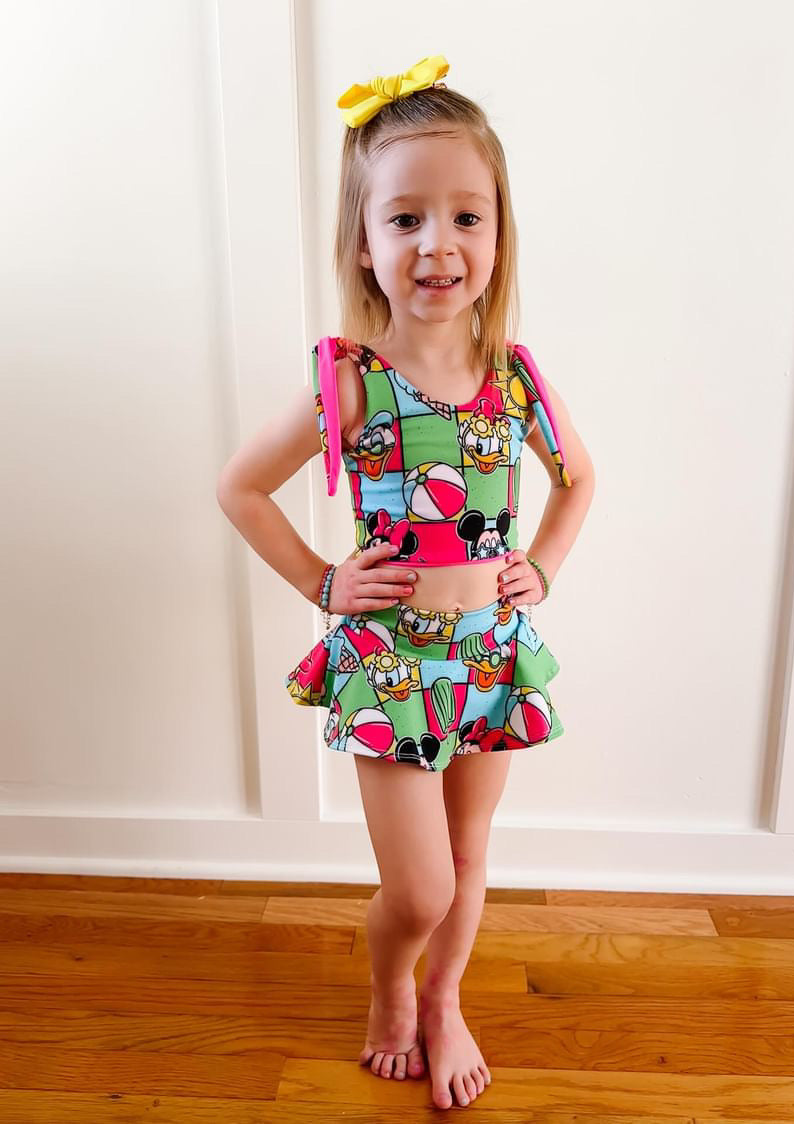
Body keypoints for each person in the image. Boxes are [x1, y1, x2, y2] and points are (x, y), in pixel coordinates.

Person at [217, 54, 596, 1112]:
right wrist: (323, 582)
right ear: (364, 242)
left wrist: (541, 567)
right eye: (405, 219)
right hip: (391, 662)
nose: (438, 243)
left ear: (498, 236)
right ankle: (390, 983)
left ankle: (442, 997)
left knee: (469, 857)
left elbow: (579, 482)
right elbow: (241, 487)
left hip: (489, 655)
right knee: (421, 883)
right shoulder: (351, 382)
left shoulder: (516, 379)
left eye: (466, 216)